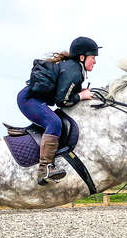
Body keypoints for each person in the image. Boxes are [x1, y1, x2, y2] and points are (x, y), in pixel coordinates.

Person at [17, 36, 101, 185]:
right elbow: (61, 101)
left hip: (34, 99)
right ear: (82, 57)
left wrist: (78, 93)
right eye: (93, 57)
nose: (95, 61)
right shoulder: (74, 71)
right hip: (28, 100)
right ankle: (45, 169)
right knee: (54, 123)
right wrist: (80, 96)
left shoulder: (74, 68)